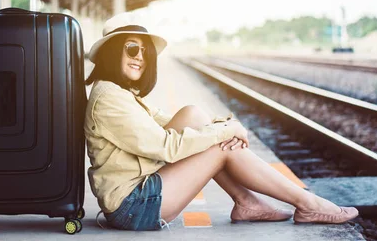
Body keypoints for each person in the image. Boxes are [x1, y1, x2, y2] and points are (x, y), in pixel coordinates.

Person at [84, 13, 359, 231]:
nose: (140, 58)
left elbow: (165, 121)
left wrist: (219, 127)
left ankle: (247, 202)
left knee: (194, 115)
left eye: (145, 52)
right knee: (216, 146)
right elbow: (164, 146)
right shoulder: (109, 98)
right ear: (112, 52)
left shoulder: (120, 93)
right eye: (132, 49)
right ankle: (306, 202)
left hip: (142, 191)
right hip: (133, 206)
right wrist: (223, 132)